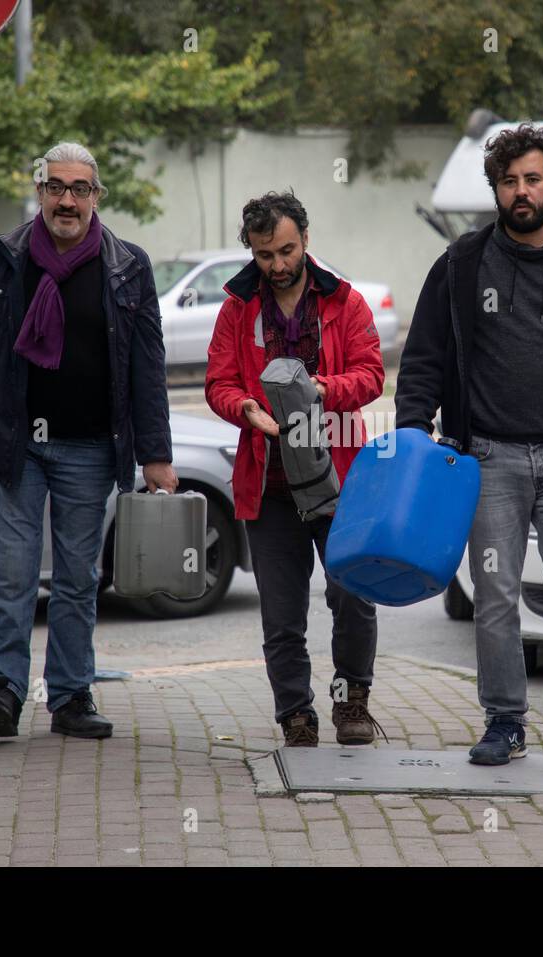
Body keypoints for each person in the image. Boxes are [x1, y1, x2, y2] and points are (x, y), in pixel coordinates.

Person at [395, 124, 543, 774]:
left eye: (532, 178)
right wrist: (413, 432)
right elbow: (424, 356)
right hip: (488, 459)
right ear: (496, 190)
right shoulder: (461, 264)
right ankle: (504, 722)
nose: (521, 190)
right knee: (496, 592)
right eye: (509, 181)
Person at [0, 142, 177, 741]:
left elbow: (148, 368)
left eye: (79, 189)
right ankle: (2, 689)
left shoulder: (127, 266)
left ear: (95, 197)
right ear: (39, 193)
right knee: (12, 571)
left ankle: (69, 697)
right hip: (20, 444)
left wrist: (157, 456)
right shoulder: (6, 259)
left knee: (78, 578)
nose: (67, 200)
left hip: (91, 448)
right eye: (55, 187)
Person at [205, 190, 385, 747]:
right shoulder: (237, 307)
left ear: (306, 239)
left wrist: (320, 391)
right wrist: (247, 408)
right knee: (282, 617)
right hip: (270, 484)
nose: (278, 265)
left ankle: (352, 701)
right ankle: (296, 715)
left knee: (352, 597)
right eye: (265, 255)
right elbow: (218, 383)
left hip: (339, 482)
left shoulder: (346, 302)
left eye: (286, 250)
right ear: (251, 251)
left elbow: (372, 375)